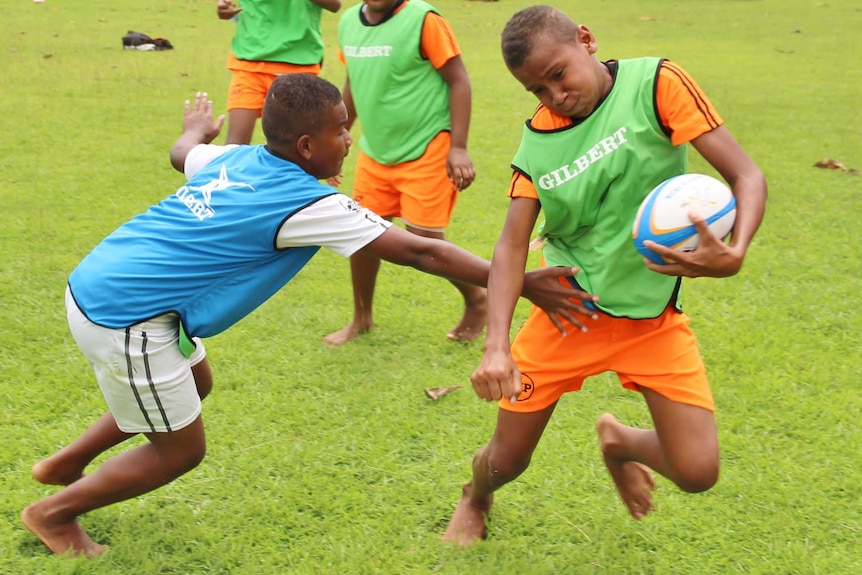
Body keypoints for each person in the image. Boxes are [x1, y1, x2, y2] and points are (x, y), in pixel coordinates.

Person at [21, 73, 587, 558]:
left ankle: (63, 465)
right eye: (339, 130)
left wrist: (195, 133)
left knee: (195, 381)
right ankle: (55, 512)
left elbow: (181, 155)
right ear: (307, 145)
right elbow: (420, 249)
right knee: (181, 450)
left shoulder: (239, 158)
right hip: (128, 318)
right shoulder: (308, 204)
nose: (349, 137)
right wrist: (519, 280)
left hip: (101, 282)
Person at [443, 5, 767, 546]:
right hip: (568, 315)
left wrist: (737, 250)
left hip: (651, 318)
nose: (555, 96)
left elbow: (745, 174)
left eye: (558, 74)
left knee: (697, 471)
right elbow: (511, 243)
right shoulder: (538, 145)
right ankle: (475, 496)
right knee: (505, 461)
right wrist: (496, 344)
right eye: (537, 90)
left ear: (586, 40)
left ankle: (619, 441)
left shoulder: (657, 84)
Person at [323, 0, 484, 346]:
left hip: (429, 144)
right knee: (361, 232)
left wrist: (458, 147)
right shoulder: (349, 21)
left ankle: (477, 299)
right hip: (377, 150)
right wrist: (335, 137)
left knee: (423, 237)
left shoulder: (424, 20)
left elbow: (459, 81)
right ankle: (362, 318)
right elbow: (353, 83)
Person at [216, 0, 342, 144]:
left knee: (300, 149)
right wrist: (224, 6)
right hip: (250, 62)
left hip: (299, 64)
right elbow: (226, 5)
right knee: (234, 148)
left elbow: (335, 4)